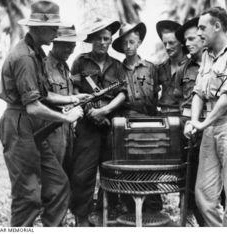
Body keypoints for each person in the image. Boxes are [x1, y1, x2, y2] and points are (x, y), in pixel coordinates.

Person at [0, 1, 86, 227]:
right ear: (37, 28)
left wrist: (73, 98)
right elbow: (33, 106)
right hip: (19, 125)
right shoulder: (24, 57)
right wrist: (67, 117)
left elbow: (43, 95)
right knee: (28, 197)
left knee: (58, 187)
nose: (57, 32)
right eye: (53, 27)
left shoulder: (37, 54)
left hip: (33, 126)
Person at [184, 7, 227, 227]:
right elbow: (198, 92)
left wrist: (203, 123)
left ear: (217, 26)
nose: (199, 32)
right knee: (203, 195)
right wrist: (196, 122)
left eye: (203, 27)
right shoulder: (206, 55)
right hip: (211, 124)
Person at [69, 18, 126, 226]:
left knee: (110, 172)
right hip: (87, 126)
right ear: (92, 40)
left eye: (107, 39)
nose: (103, 42)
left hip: (111, 126)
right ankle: (81, 218)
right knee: (83, 173)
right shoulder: (80, 62)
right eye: (99, 39)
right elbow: (74, 90)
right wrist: (90, 111)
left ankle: (106, 215)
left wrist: (105, 111)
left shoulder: (117, 65)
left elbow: (122, 94)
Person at [112, 22, 162, 213]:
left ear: (139, 42)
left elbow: (155, 95)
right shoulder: (116, 69)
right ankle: (129, 205)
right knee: (128, 166)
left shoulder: (150, 68)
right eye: (124, 43)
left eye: (132, 41)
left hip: (148, 123)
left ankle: (152, 206)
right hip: (125, 124)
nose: (128, 46)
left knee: (148, 163)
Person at [174, 17, 205, 226]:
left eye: (192, 38)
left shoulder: (220, 63)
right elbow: (179, 99)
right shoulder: (183, 70)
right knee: (189, 181)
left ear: (204, 38)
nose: (187, 43)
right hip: (189, 131)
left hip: (211, 127)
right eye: (185, 40)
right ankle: (194, 222)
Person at [44, 26, 88, 165]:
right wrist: (72, 99)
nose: (71, 50)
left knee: (67, 174)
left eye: (73, 46)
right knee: (53, 174)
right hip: (51, 129)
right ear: (55, 43)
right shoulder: (44, 66)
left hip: (68, 128)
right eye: (67, 46)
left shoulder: (65, 66)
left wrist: (78, 98)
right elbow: (42, 96)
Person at [156, 20, 187, 116]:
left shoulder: (191, 67)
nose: (167, 47)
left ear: (181, 43)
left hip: (183, 117)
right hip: (163, 117)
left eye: (171, 43)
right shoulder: (160, 68)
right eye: (165, 43)